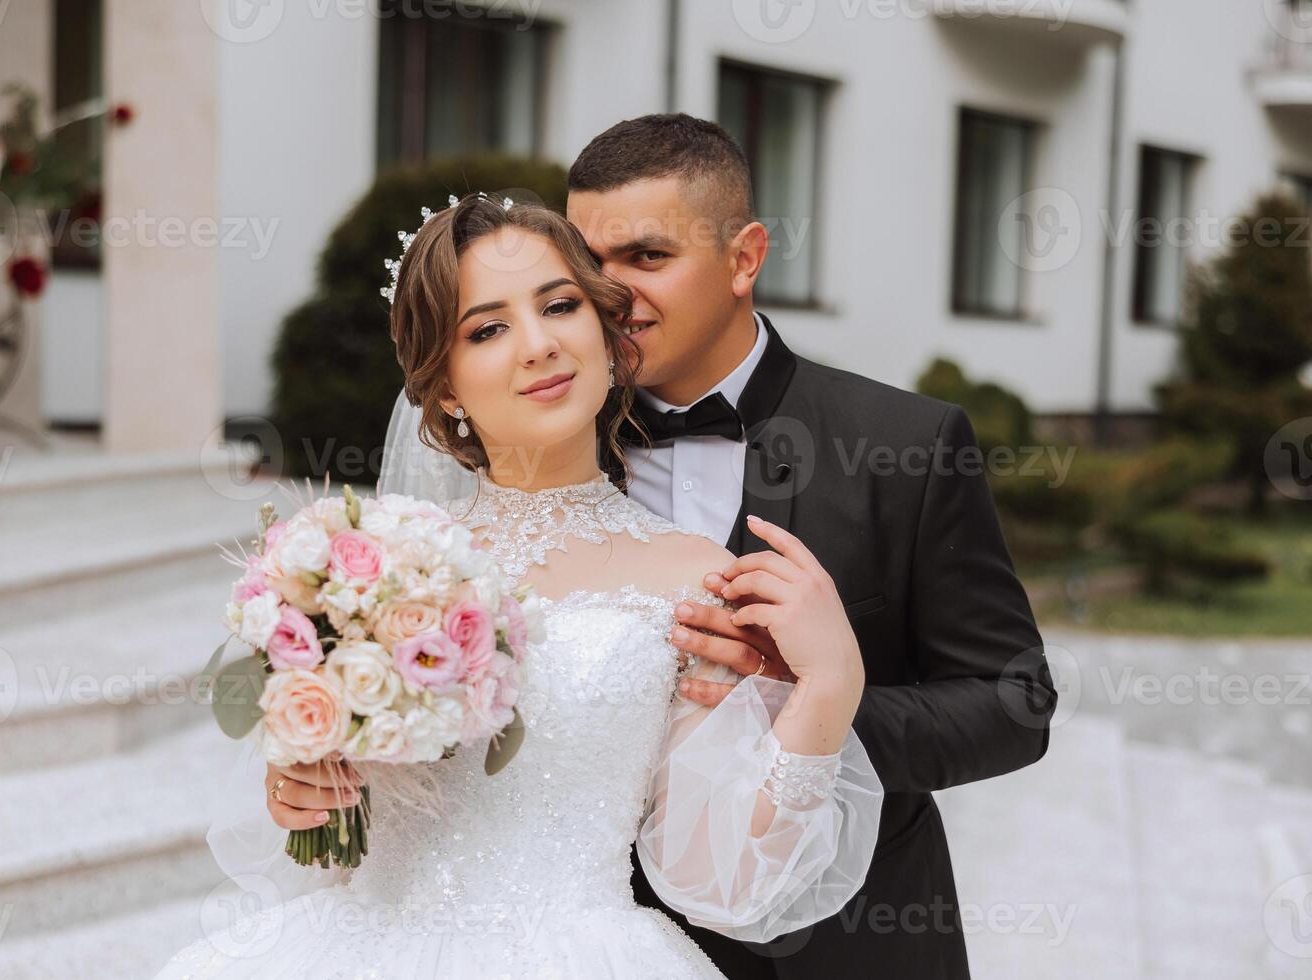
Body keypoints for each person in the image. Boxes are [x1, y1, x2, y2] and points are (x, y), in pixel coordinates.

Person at [372, 114, 1058, 978]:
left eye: (647, 258)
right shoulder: (541, 440)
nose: (610, 296)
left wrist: (815, 702)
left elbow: (1014, 702)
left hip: (847, 942)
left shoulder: (904, 444)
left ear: (744, 258)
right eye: (589, 268)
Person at [153, 192, 884, 979]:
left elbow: (716, 882)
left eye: (561, 305)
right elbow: (310, 850)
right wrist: (300, 793)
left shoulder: (695, 575)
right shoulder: (367, 564)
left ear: (608, 337)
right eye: (488, 328)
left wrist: (830, 687)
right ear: (444, 389)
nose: (538, 345)